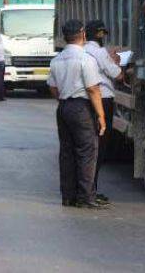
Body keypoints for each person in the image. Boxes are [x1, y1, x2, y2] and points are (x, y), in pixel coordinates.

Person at [48, 19, 108, 209]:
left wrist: (64, 102)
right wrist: (101, 116)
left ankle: (68, 196)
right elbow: (93, 89)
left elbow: (52, 87)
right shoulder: (85, 59)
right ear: (83, 34)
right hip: (82, 108)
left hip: (64, 107)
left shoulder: (56, 60)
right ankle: (86, 197)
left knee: (66, 153)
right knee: (87, 153)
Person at [84, 20, 124, 205]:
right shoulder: (100, 52)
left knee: (86, 146)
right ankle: (92, 189)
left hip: (84, 100)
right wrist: (118, 64)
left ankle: (84, 189)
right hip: (103, 99)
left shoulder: (82, 50)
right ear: (101, 36)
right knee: (99, 146)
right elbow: (117, 74)